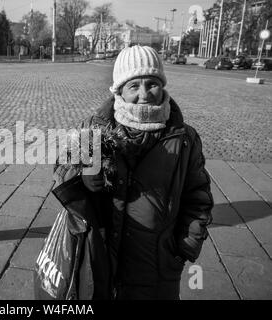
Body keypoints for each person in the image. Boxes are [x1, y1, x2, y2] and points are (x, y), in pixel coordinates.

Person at [53, 45, 213, 300]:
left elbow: (198, 196)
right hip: (100, 257)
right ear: (119, 90)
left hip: (157, 265)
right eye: (133, 86)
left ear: (162, 85)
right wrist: (81, 175)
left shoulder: (185, 138)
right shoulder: (93, 128)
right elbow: (62, 169)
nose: (144, 94)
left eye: (151, 83)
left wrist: (185, 247)